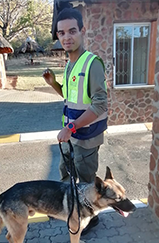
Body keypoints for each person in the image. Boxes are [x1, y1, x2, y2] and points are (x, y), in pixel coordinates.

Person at [42, 7, 108, 187]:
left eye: (72, 31)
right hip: (71, 135)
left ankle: (90, 216)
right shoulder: (70, 65)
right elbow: (71, 96)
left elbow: (100, 105)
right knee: (66, 179)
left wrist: (71, 127)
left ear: (82, 31)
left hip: (86, 137)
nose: (66, 37)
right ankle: (71, 212)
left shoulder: (92, 63)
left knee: (86, 185)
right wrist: (53, 84)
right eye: (61, 33)